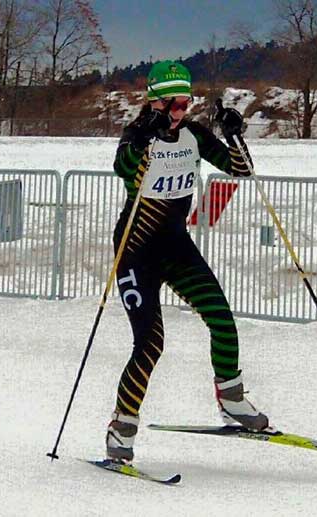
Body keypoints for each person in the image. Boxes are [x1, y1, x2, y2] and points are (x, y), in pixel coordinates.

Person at [107, 60, 270, 463]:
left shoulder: (193, 134)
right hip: (136, 250)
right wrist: (145, 138)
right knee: (150, 342)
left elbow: (242, 170)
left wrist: (234, 135)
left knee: (221, 317)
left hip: (177, 247)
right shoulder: (137, 134)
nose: (180, 111)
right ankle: (121, 427)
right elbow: (123, 169)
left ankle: (231, 398)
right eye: (173, 104)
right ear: (154, 102)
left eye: (186, 102)